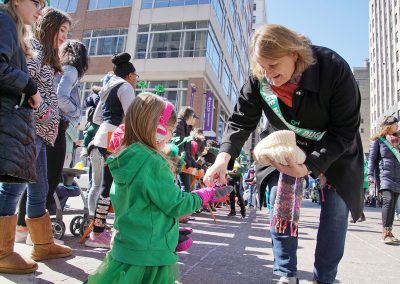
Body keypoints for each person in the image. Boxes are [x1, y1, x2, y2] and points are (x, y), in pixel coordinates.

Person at [203, 24, 364, 284]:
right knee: (280, 197)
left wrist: (311, 166)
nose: (268, 74)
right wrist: (222, 159)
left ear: (295, 54)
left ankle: (325, 277)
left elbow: (344, 131)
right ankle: (287, 274)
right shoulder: (261, 76)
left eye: (274, 65)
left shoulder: (333, 68)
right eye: (262, 67)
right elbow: (241, 121)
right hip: (285, 143)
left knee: (336, 210)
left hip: (334, 146)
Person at [87, 93, 228, 284]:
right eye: (169, 130)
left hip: (126, 248)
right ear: (156, 129)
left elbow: (141, 206)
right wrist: (204, 194)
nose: (170, 136)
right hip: (150, 255)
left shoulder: (124, 157)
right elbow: (176, 204)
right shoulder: (153, 162)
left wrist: (168, 229)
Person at [3, 5, 73, 265]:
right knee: (13, 188)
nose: (65, 36)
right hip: (28, 129)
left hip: (39, 133)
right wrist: (43, 111)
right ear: (50, 27)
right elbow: (23, 80)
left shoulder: (47, 54)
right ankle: (2, 251)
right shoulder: (35, 48)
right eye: (62, 30)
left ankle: (42, 244)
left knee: (40, 187)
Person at [0, 0, 45, 274]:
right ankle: (3, 252)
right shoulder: (4, 21)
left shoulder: (12, 27)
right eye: (37, 2)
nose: (41, 9)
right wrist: (30, 87)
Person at [85, 53, 136, 248]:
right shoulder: (125, 87)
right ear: (130, 75)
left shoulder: (107, 88)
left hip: (101, 137)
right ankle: (98, 233)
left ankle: (98, 230)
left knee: (101, 185)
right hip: (114, 140)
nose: (136, 80)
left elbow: (97, 118)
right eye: (136, 77)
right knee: (108, 186)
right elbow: (133, 117)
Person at [367, 116, 400, 244]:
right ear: (389, 126)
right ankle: (385, 233)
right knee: (388, 200)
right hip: (384, 175)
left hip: (398, 176)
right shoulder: (378, 140)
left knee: (393, 204)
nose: (397, 126)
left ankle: (390, 231)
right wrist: (370, 174)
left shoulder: (398, 140)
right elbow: (372, 159)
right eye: (395, 124)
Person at [173, 106, 199, 193]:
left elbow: (187, 149)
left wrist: (192, 162)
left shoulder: (186, 126)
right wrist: (185, 160)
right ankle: (182, 206)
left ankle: (181, 205)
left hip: (182, 161)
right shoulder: (180, 123)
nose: (195, 120)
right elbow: (178, 144)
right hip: (176, 160)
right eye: (195, 117)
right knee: (185, 187)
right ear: (190, 116)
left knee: (184, 187)